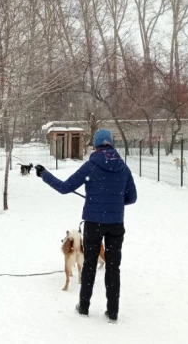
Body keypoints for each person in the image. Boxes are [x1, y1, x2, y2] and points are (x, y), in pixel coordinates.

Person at [34, 129, 137, 322]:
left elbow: (65, 188)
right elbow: (132, 198)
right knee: (113, 267)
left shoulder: (91, 166)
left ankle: (83, 307)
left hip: (94, 223)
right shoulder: (123, 168)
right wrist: (113, 201)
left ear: (96, 146)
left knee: (89, 264)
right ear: (111, 144)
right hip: (115, 224)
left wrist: (44, 174)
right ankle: (112, 312)